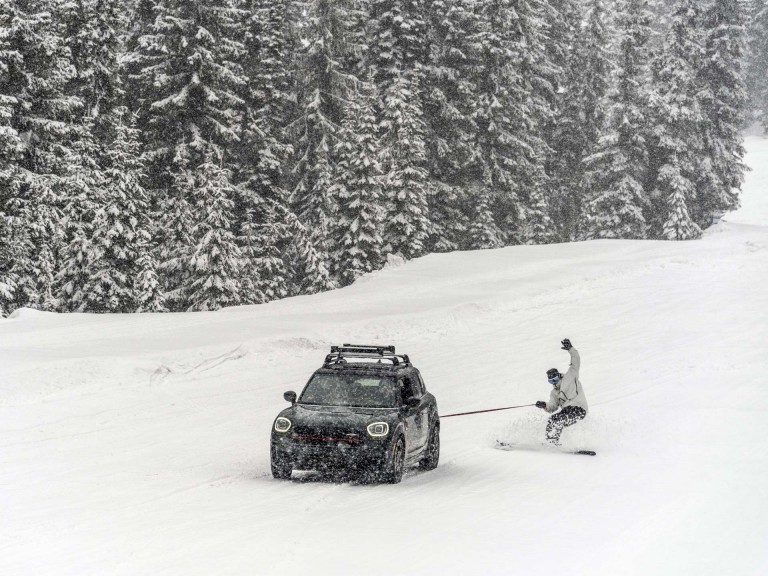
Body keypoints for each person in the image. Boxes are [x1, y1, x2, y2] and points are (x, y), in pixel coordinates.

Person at [535, 338, 589, 446]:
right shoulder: (554, 393)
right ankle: (551, 441)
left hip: (579, 409)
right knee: (553, 419)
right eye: (551, 381)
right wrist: (544, 405)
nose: (554, 383)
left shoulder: (570, 376)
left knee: (558, 419)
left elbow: (576, 362)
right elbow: (552, 407)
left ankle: (553, 442)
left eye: (555, 379)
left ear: (559, 375)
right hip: (566, 411)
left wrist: (571, 349)